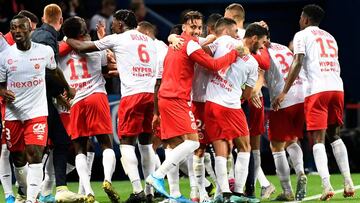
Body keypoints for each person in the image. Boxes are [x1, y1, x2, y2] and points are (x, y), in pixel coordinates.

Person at [145, 10, 243, 202]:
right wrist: (234, 54)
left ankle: (174, 195)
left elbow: (204, 40)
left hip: (166, 96)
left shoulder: (179, 42)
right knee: (194, 142)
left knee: (173, 147)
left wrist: (173, 35)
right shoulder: (189, 45)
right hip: (177, 99)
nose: (197, 31)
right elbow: (214, 65)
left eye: (199, 27)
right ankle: (157, 176)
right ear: (184, 27)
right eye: (193, 27)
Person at [66, 10, 158, 203]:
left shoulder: (118, 38)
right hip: (150, 94)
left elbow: (82, 47)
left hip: (131, 95)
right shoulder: (149, 40)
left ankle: (137, 191)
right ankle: (150, 192)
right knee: (146, 144)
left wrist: (65, 36)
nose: (112, 26)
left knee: (125, 143)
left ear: (122, 24)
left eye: (114, 23)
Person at [273, 4, 355, 200]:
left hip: (317, 90)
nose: (300, 20)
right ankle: (348, 181)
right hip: (337, 88)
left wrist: (284, 91)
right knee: (335, 136)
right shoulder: (330, 37)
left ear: (306, 19)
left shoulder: (301, 35)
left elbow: (298, 61)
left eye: (301, 17)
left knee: (318, 139)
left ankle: (327, 186)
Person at [0, 15, 73, 203]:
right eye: (13, 28)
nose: (17, 31)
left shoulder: (45, 51)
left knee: (35, 155)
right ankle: (23, 190)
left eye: (21, 27)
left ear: (30, 29)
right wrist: (3, 92)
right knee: (18, 158)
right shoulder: (5, 57)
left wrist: (66, 87)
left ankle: (32, 199)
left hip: (37, 112)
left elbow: (54, 70)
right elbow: (0, 83)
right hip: (13, 113)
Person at [60, 16, 120, 203]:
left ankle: (88, 191)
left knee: (79, 149)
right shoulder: (96, 47)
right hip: (96, 96)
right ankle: (107, 180)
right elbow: (107, 68)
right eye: (85, 27)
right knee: (105, 143)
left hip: (76, 101)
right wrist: (104, 41)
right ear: (81, 31)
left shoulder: (60, 53)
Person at [31, 4, 82, 203]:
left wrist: (58, 97)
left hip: (38, 96)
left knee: (48, 144)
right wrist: (66, 89)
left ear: (43, 18)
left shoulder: (38, 35)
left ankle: (42, 192)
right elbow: (49, 70)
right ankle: (54, 190)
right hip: (38, 99)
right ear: (60, 21)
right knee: (54, 143)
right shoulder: (48, 38)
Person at [265, 40, 307, 201]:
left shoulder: (262, 52)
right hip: (301, 96)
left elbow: (261, 77)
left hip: (284, 99)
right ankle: (301, 171)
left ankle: (287, 191)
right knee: (291, 140)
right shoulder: (282, 47)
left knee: (276, 145)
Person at [0, 33, 14, 203]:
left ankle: (26, 190)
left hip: (9, 98)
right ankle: (9, 193)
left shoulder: (5, 42)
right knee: (3, 150)